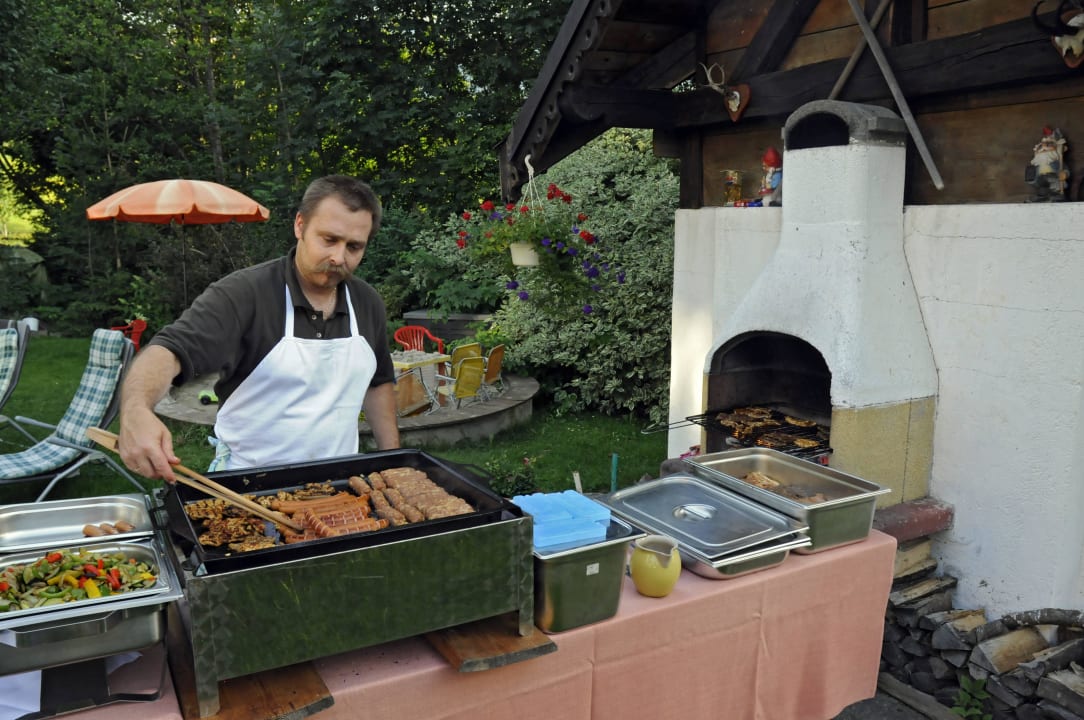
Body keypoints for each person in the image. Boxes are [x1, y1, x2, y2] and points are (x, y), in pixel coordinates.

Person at [118, 175, 400, 482]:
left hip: (341, 486)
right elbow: (168, 350)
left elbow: (378, 382)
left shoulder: (367, 302)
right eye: (329, 240)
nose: (338, 257)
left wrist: (395, 464)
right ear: (300, 225)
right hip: (250, 486)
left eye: (354, 247)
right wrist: (135, 409)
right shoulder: (244, 294)